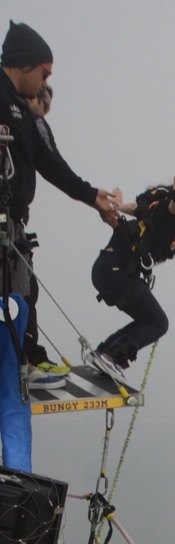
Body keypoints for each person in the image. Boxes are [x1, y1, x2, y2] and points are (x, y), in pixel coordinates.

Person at [0, 20, 117, 471]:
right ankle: (18, 488)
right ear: (26, 64)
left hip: (11, 240)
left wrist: (92, 196)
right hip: (5, 243)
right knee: (9, 378)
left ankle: (17, 481)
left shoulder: (21, 113)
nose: (47, 81)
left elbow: (50, 164)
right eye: (45, 73)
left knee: (12, 370)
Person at [88, 170, 175, 382]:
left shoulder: (158, 199)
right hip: (117, 272)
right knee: (158, 323)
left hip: (107, 269)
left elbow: (137, 208)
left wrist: (118, 206)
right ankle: (109, 355)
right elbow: (174, 210)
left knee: (148, 319)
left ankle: (103, 354)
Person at [23, 83, 68, 386]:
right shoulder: (31, 125)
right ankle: (30, 360)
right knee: (24, 293)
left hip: (15, 225)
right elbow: (54, 166)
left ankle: (28, 358)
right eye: (42, 103)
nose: (44, 111)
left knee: (27, 291)